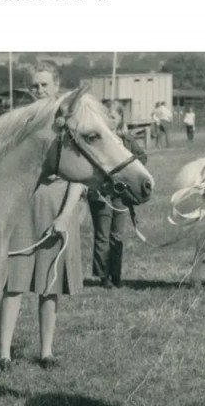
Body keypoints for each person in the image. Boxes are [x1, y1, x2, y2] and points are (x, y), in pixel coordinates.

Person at [0, 65, 87, 373]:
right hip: (24, 208)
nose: (39, 90)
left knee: (50, 285)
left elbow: (80, 175)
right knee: (14, 284)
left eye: (44, 84)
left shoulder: (70, 122)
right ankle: (4, 354)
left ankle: (46, 352)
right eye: (34, 85)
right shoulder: (22, 123)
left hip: (59, 207)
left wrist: (64, 216)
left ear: (57, 86)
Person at [88, 103, 147, 289]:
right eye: (107, 116)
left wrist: (128, 170)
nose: (110, 120)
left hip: (121, 194)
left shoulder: (127, 140)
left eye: (113, 116)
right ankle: (103, 276)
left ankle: (116, 274)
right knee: (102, 235)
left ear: (121, 118)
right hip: (102, 194)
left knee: (117, 236)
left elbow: (142, 157)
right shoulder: (97, 140)